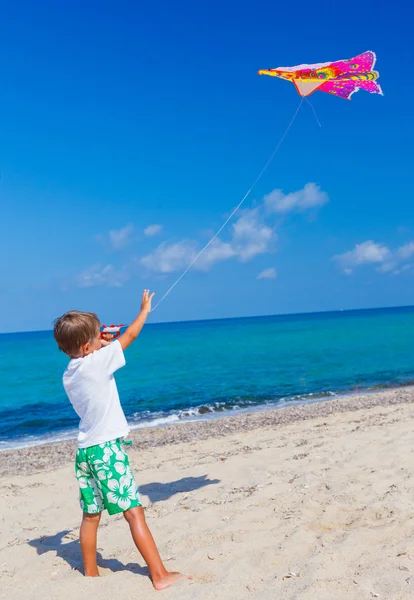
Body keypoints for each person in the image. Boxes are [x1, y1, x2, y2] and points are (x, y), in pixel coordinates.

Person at [53, 290, 190, 589]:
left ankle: (90, 574)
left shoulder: (70, 372)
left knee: (91, 514)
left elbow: (91, 353)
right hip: (106, 450)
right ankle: (160, 575)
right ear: (89, 345)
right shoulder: (98, 363)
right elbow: (131, 336)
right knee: (133, 511)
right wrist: (144, 310)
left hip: (85, 451)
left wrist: (97, 344)